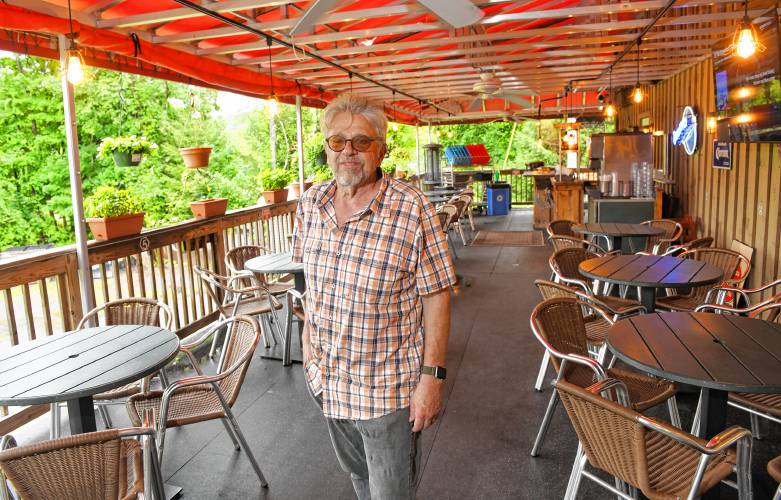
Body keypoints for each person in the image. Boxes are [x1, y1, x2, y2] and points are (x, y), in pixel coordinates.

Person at [292, 94, 456, 499]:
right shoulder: (311, 203)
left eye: (361, 142)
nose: (348, 151)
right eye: (338, 141)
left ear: (380, 149)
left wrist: (432, 379)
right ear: (327, 147)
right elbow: (309, 281)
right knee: (360, 481)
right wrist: (307, 338)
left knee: (390, 493)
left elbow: (437, 295)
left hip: (386, 391)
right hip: (327, 381)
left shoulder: (412, 208)